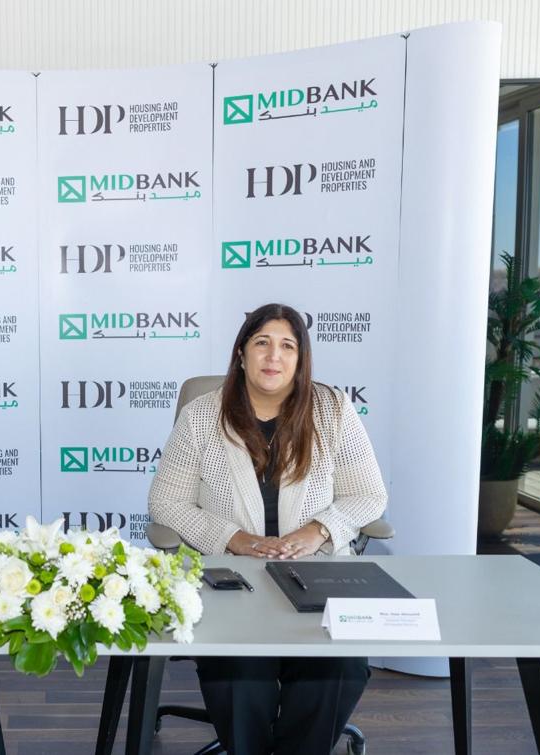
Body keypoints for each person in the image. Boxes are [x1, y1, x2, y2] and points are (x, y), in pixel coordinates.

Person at [149, 302, 387, 754]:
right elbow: (166, 501)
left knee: (338, 668)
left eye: (287, 346)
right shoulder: (201, 416)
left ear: (301, 359)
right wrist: (233, 539)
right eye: (262, 343)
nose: (273, 356)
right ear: (241, 354)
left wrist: (318, 530)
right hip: (231, 576)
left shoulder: (333, 410)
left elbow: (369, 495)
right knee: (237, 669)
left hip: (317, 572)